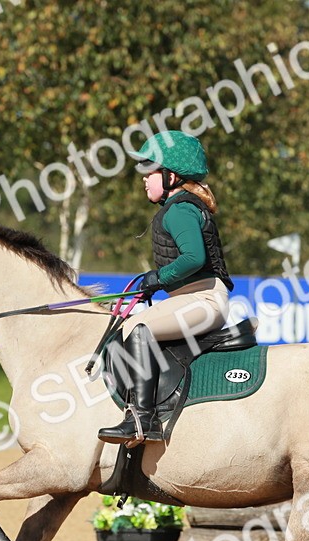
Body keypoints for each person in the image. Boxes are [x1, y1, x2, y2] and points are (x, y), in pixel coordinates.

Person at [98, 130, 235, 446]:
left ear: (171, 175)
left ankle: (141, 421)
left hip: (205, 299)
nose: (144, 178)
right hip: (194, 297)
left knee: (139, 327)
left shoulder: (179, 209)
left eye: (150, 170)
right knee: (130, 324)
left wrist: (157, 278)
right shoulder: (178, 206)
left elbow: (193, 258)